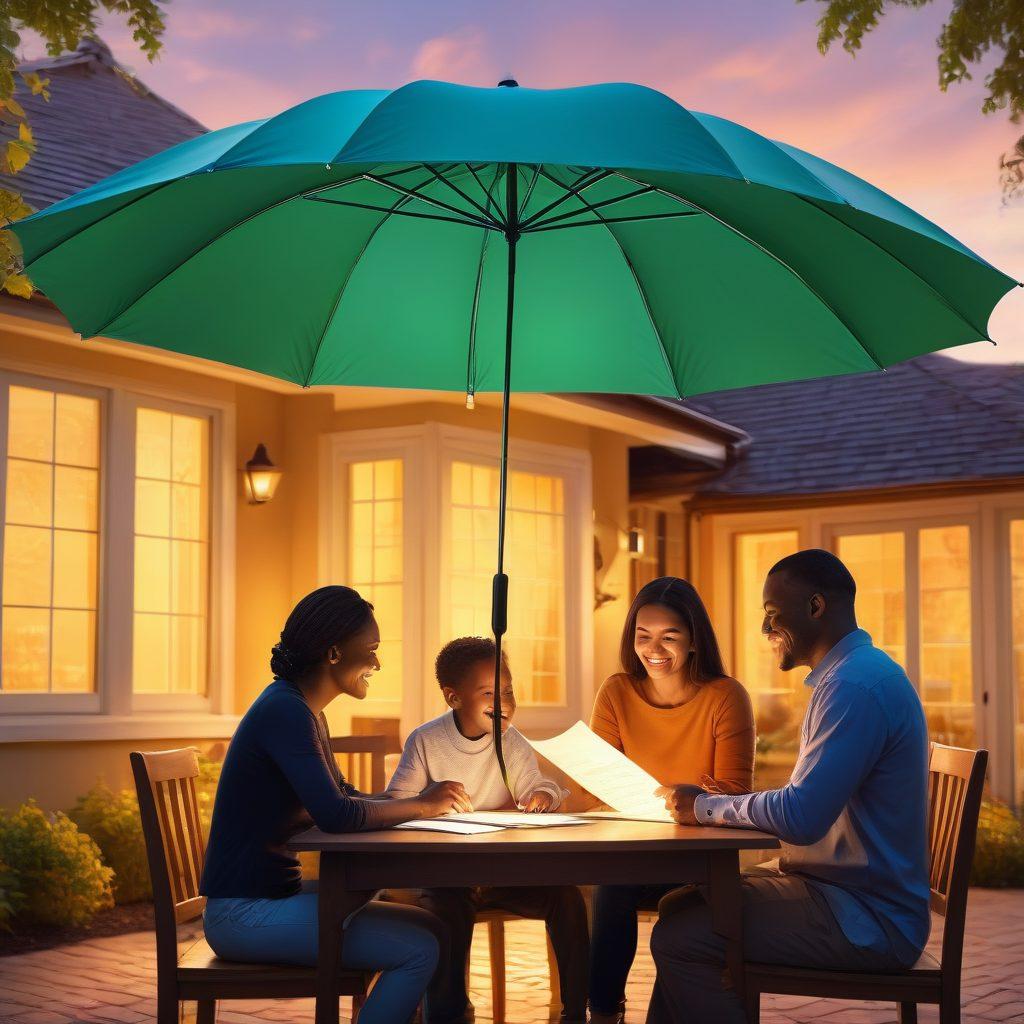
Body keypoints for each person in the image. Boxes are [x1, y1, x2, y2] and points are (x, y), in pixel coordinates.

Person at [650, 550, 930, 1023]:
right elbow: (809, 798)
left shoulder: (854, 687)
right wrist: (724, 804)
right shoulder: (852, 676)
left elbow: (802, 816)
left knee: (681, 935)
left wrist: (706, 808)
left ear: (816, 607)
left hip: (869, 918)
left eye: (772, 615)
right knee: (678, 904)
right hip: (850, 894)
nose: (764, 630)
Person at [200, 586, 473, 1024]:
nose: (378, 663)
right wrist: (421, 806)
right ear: (333, 653)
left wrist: (406, 799)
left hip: (264, 899)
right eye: (371, 650)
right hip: (243, 914)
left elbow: (344, 795)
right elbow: (338, 814)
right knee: (421, 948)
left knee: (434, 928)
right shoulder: (286, 713)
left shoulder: (301, 710)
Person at [385, 636, 590, 1024]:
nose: (505, 703)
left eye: (509, 691)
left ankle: (578, 1010)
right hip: (447, 877)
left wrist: (542, 796)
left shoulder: (512, 742)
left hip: (502, 872)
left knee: (567, 897)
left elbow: (536, 783)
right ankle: (448, 1014)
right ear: (453, 697)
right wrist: (428, 800)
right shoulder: (427, 741)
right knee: (446, 915)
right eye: (489, 693)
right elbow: (397, 804)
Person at [587, 576, 755, 1024]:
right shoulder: (616, 692)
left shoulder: (725, 696)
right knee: (610, 886)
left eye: (669, 637)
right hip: (634, 850)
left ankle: (671, 1012)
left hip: (698, 860)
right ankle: (603, 1012)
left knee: (680, 915)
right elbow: (593, 788)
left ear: (694, 640)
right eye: (643, 636)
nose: (653, 649)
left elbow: (735, 794)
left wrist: (698, 802)